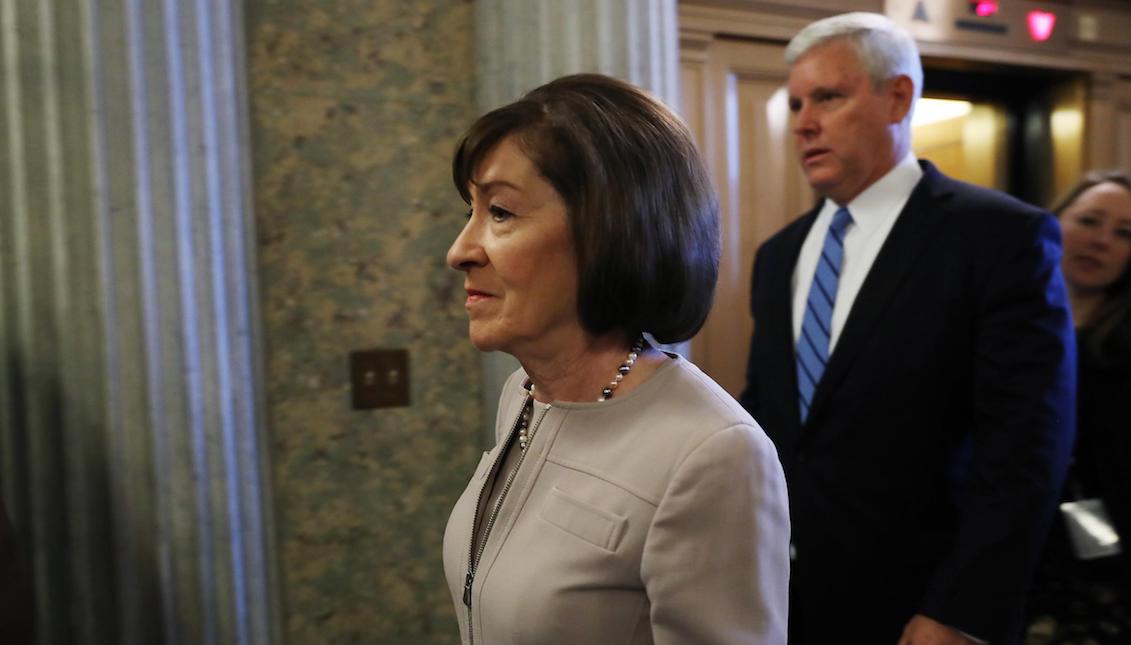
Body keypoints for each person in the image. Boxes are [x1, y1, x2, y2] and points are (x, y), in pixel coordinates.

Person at [739, 12, 1075, 645]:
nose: (804, 122)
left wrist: (964, 608)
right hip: (780, 602)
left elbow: (1027, 443)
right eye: (797, 104)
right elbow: (770, 421)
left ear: (897, 97)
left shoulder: (1000, 237)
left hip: (921, 606)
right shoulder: (779, 255)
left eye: (829, 98)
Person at [441, 73, 790, 644]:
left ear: (609, 229)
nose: (460, 251)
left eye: (500, 212)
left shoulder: (715, 454)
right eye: (470, 211)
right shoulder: (525, 395)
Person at [1026, 171, 1131, 644]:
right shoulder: (998, 326)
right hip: (996, 545)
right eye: (1089, 220)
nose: (1101, 241)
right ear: (1056, 222)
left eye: (1124, 233)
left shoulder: (1122, 349)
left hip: (1103, 555)